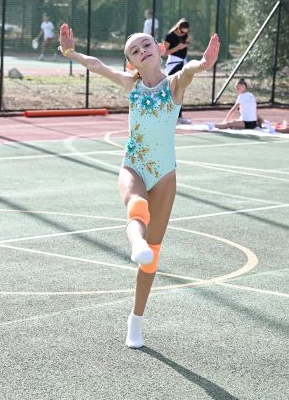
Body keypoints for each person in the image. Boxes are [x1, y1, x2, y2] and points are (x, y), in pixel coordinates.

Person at [59, 24, 220, 348]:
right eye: (134, 50)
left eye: (146, 44)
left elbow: (188, 70)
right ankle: (136, 243)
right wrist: (70, 53)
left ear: (160, 50)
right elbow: (97, 65)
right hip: (134, 163)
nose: (141, 50)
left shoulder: (174, 84)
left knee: (153, 257)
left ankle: (136, 320)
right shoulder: (130, 83)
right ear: (131, 63)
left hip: (164, 174)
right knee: (135, 205)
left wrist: (202, 65)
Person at [215, 78, 289, 133]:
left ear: (244, 86)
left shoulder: (242, 96)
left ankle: (212, 126)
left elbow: (233, 110)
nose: (237, 90)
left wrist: (224, 121)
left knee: (228, 124)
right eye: (236, 88)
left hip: (248, 123)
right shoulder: (251, 95)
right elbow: (254, 112)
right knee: (233, 124)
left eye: (238, 88)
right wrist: (261, 120)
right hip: (252, 123)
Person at [164, 18, 191, 124]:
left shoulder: (185, 36)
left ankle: (178, 115)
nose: (183, 33)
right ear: (178, 28)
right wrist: (178, 48)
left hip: (183, 63)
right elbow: (164, 53)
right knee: (171, 87)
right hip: (173, 64)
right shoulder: (169, 36)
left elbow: (187, 42)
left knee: (182, 88)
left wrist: (186, 43)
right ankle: (167, 112)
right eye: (182, 31)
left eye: (186, 31)